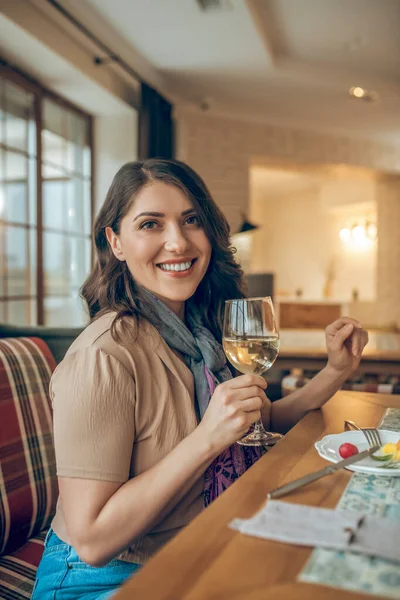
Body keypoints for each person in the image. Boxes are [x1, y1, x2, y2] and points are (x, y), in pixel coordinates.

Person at [32, 159, 368, 599]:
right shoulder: (105, 355)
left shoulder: (200, 334)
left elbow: (264, 420)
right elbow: (93, 540)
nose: (177, 242)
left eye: (191, 220)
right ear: (115, 242)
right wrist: (208, 437)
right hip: (103, 578)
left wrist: (335, 371)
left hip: (196, 544)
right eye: (151, 224)